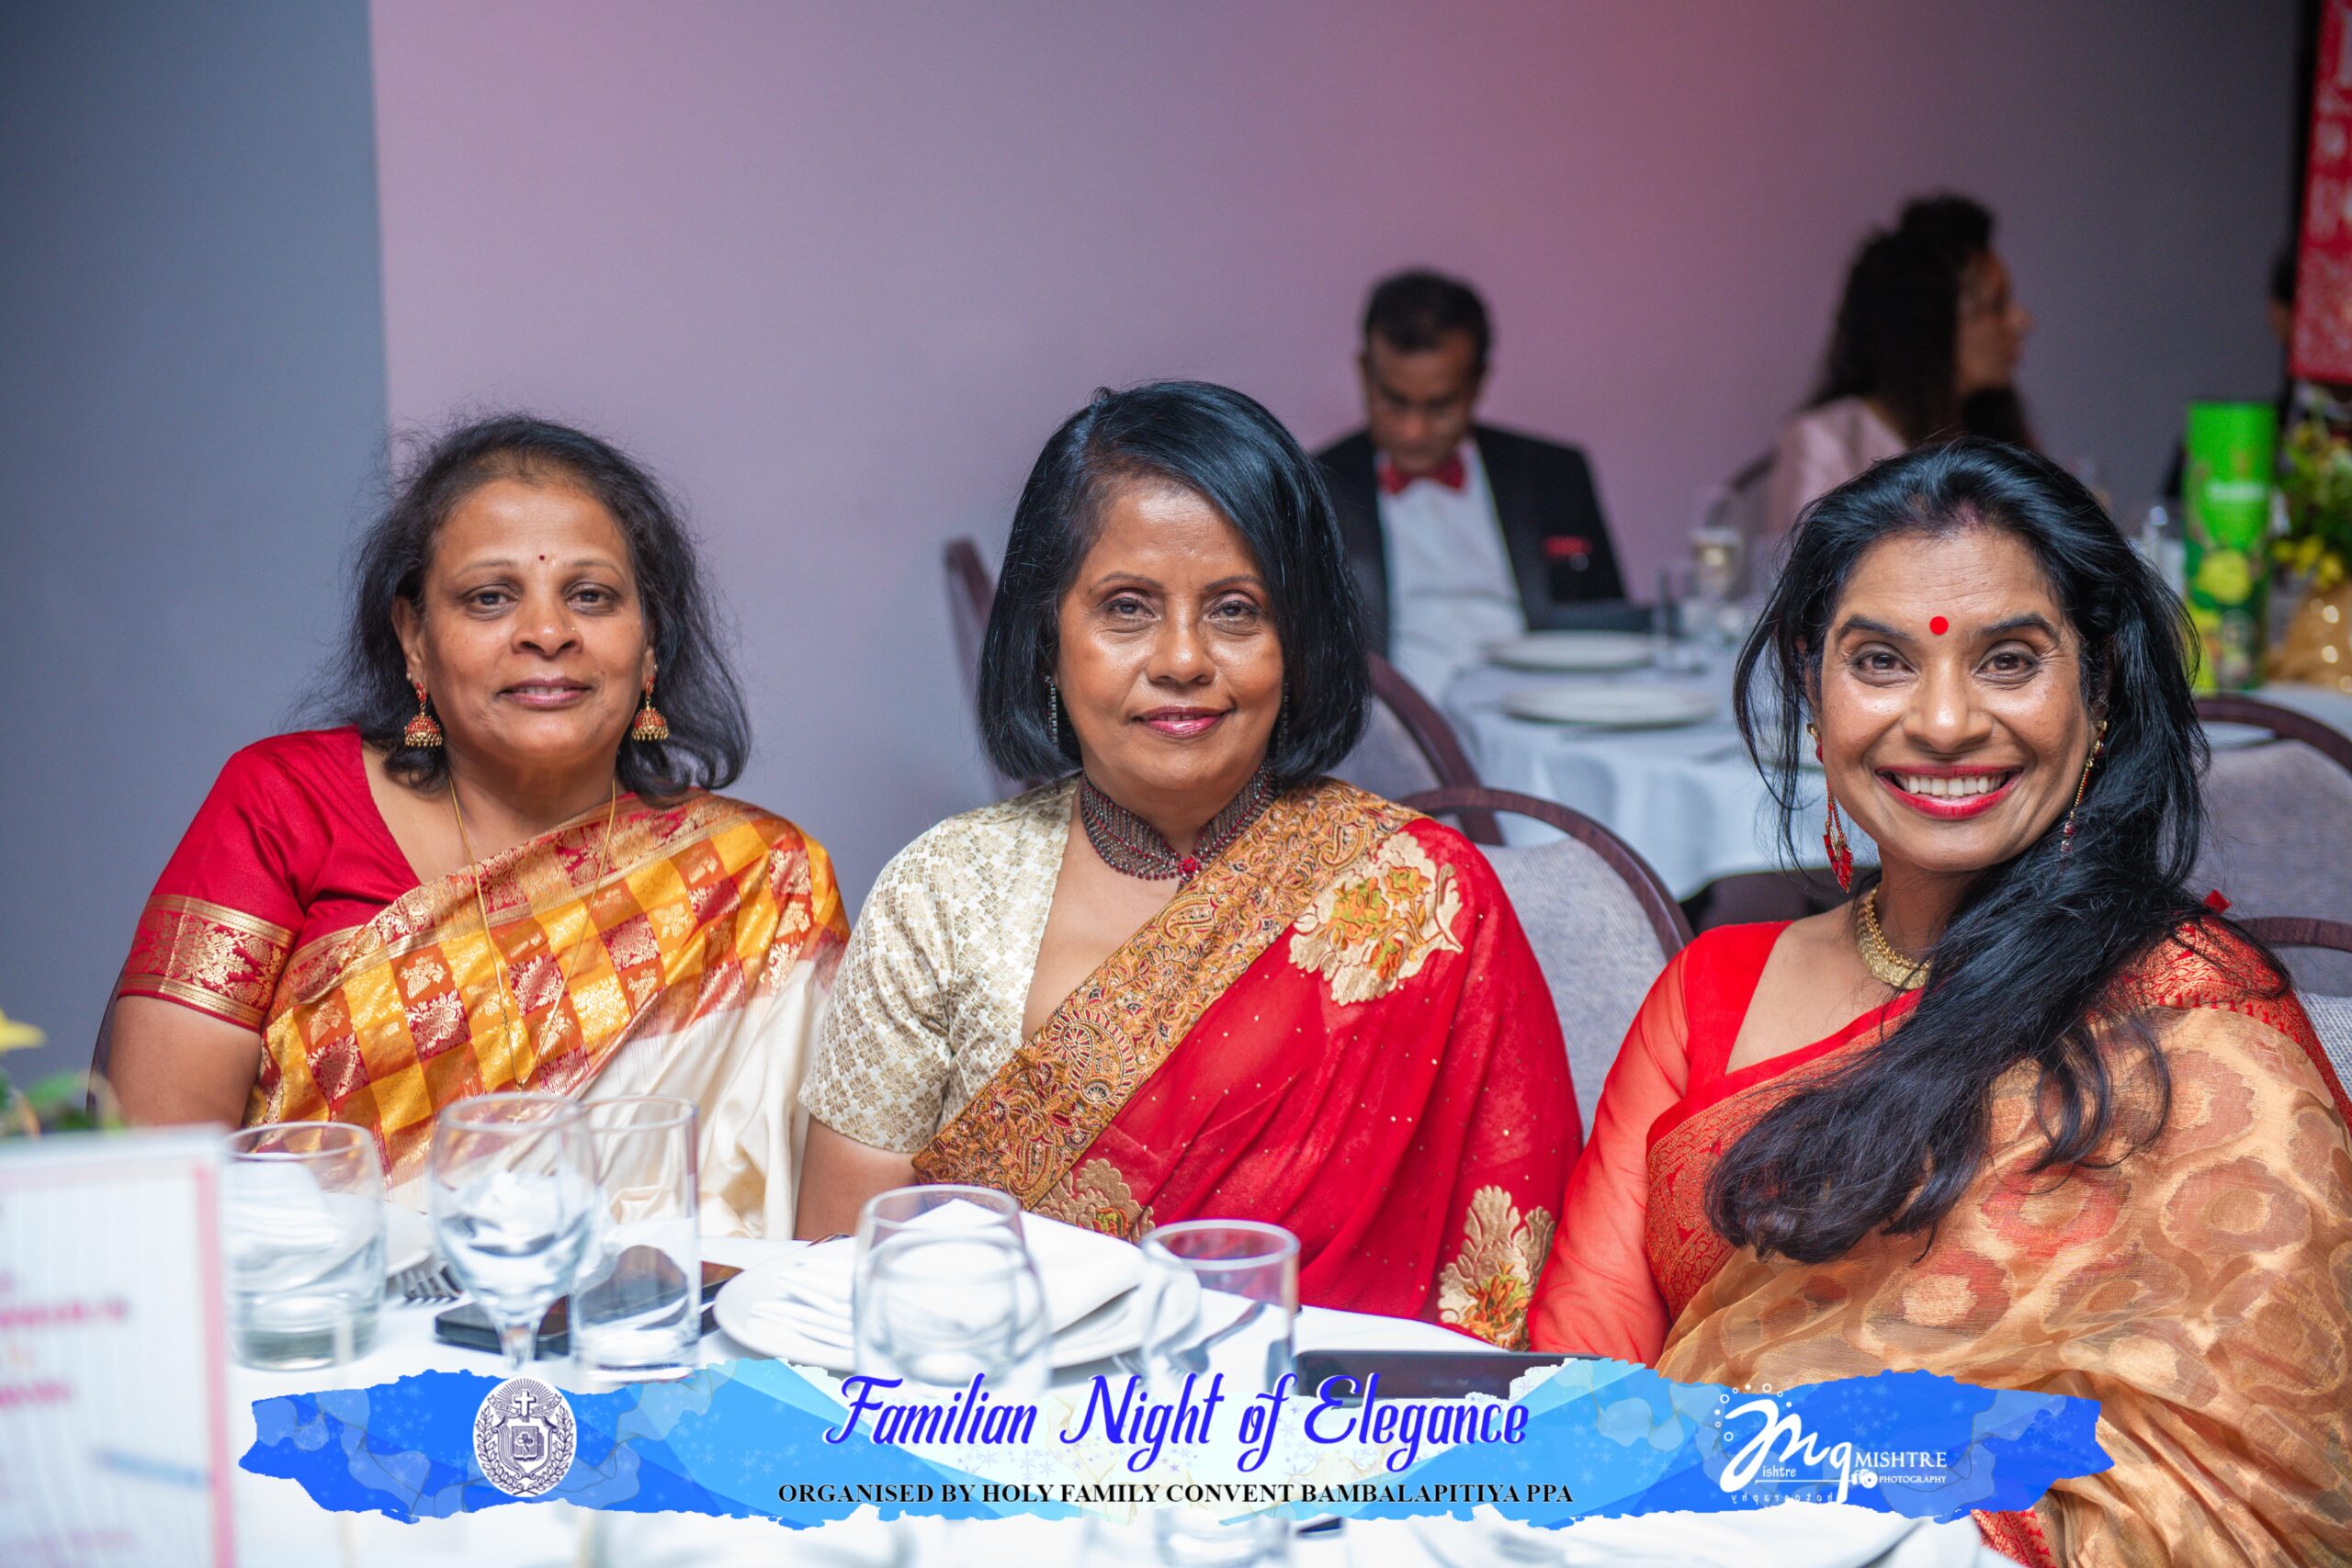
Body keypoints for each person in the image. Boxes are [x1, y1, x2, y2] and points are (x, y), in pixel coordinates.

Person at [1528, 441, 2352, 1563]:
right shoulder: (1711, 991)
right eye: (1881, 661)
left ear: (2100, 690)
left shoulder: (2193, 1023)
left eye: (2008, 661)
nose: (1947, 721)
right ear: (1813, 694)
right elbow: (1580, 1386)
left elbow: (2250, 1494)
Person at [797, 380, 1577, 1348]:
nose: (1181, 659)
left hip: (1346, 1429)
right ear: (1047, 638)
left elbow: (1509, 1306)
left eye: (1236, 611)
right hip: (992, 1423)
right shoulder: (941, 895)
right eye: (1126, 608)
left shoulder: (1424, 896)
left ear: (1299, 643)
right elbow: (839, 1288)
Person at [100, 416, 845, 1235]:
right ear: (414, 638)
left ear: (649, 644)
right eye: (490, 597)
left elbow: (828, 1246)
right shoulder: (286, 803)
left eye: (591, 596)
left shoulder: (761, 879)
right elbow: (152, 1186)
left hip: (655, 1313)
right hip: (317, 1308)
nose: (547, 633)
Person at [1316, 269, 1631, 699]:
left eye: (1441, 406)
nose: (1414, 431)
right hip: (1392, 722)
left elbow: (1609, 625)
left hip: (1543, 706)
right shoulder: (1316, 486)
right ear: (1364, 373)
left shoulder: (1553, 473)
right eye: (1394, 401)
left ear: (1478, 381)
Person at [1766, 197, 2035, 536]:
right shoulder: (1827, 440)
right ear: (1928, 324)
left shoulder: (1987, 434)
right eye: (1995, 305)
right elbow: (1808, 565)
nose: (2022, 321)